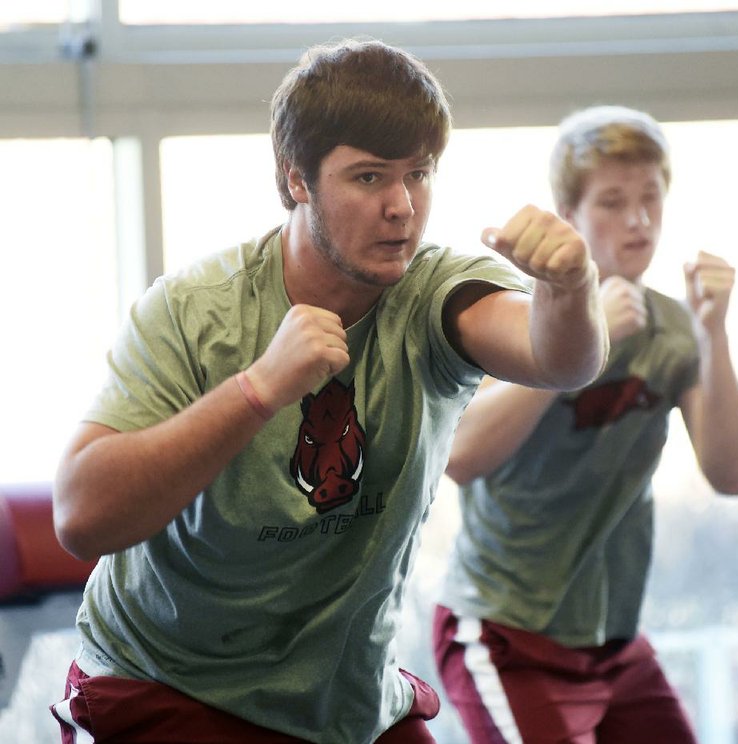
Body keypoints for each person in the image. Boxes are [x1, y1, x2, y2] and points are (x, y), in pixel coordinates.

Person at [48, 39, 608, 744]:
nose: (402, 207)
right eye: (369, 177)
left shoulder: (433, 293)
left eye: (419, 174)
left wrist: (569, 288)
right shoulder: (196, 312)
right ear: (297, 181)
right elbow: (82, 516)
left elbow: (558, 358)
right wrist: (257, 391)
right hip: (167, 684)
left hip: (342, 705)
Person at [433, 105, 738, 744]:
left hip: (613, 641)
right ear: (571, 215)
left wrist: (712, 333)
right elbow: (461, 456)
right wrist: (585, 341)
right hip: (503, 629)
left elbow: (734, 474)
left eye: (650, 199)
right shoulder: (526, 313)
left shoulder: (672, 329)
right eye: (612, 201)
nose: (638, 220)